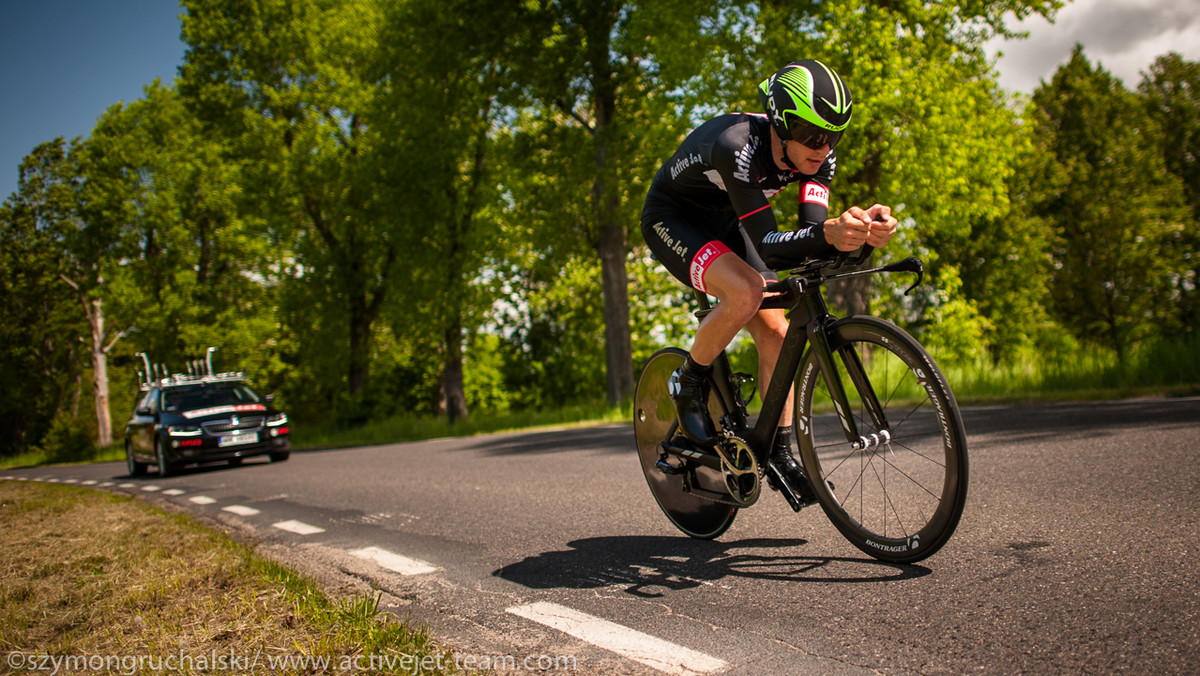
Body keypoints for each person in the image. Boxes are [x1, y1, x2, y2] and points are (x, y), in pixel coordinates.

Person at [639, 59, 898, 502]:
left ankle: (778, 450)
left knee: (778, 330)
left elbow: (809, 237)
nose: (823, 146)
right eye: (813, 134)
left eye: (835, 135)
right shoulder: (736, 145)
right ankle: (689, 380)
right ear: (780, 120)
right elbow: (774, 245)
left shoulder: (820, 158)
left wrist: (856, 235)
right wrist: (829, 233)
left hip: (734, 219)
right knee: (746, 291)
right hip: (676, 218)